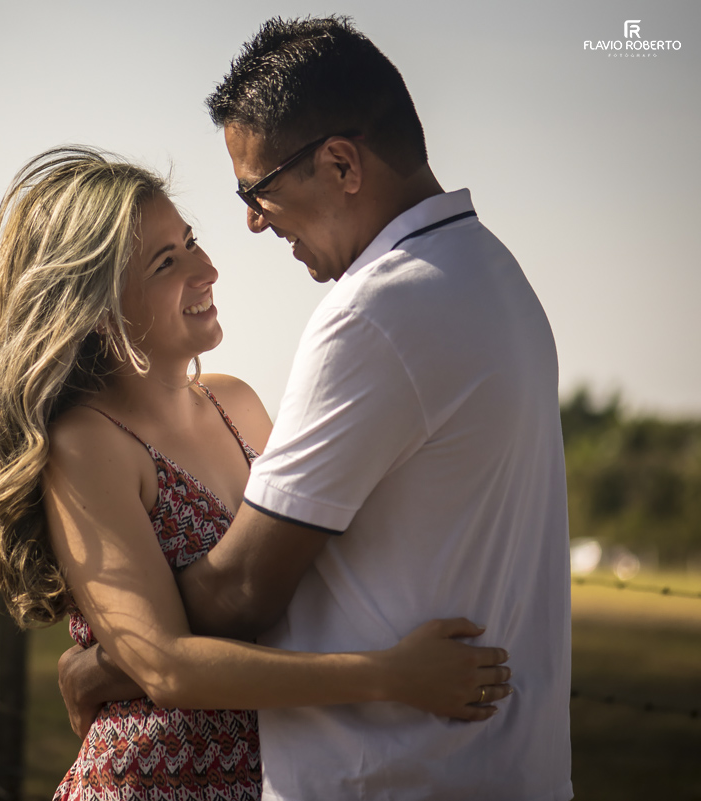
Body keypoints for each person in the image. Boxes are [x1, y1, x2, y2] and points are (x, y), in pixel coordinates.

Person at [59, 15, 573, 801]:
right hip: (499, 766)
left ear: (340, 164)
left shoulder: (377, 313)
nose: (252, 221)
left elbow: (245, 588)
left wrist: (113, 658)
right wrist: (146, 649)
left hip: (395, 777)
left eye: (256, 190)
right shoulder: (493, 273)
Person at [0, 145, 512, 801]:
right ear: (95, 309)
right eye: (166, 262)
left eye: (190, 242)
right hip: (152, 785)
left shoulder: (236, 402)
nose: (207, 268)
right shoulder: (90, 444)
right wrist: (391, 676)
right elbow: (168, 667)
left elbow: (296, 574)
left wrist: (101, 666)